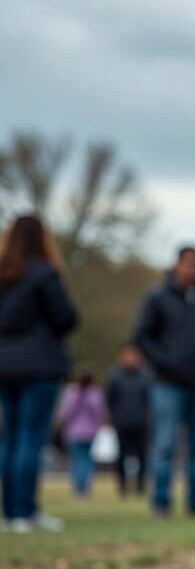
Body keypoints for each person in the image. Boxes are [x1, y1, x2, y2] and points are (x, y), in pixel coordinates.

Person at [133, 245, 195, 517]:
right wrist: (165, 362)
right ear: (176, 265)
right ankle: (161, 502)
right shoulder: (157, 298)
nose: (192, 268)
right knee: (165, 444)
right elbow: (142, 337)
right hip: (167, 384)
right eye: (187, 263)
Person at [0, 214, 77, 533]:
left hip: (4, 365)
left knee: (10, 438)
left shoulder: (3, 274)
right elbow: (66, 317)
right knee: (31, 438)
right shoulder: (45, 273)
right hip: (39, 365)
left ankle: (11, 513)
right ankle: (26, 511)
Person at [106, 344, 152, 496]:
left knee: (142, 455)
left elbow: (149, 399)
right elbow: (110, 399)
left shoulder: (145, 376)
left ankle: (140, 485)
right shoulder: (115, 376)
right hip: (122, 422)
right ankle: (123, 486)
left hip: (141, 423)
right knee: (121, 455)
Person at [56, 369, 106, 499]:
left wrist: (61, 425)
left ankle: (78, 489)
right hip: (90, 432)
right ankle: (85, 488)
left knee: (77, 461)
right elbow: (98, 413)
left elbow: (66, 412)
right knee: (86, 460)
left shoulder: (72, 392)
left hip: (73, 432)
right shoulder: (95, 394)